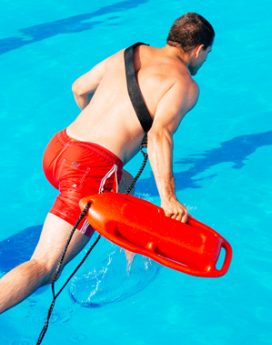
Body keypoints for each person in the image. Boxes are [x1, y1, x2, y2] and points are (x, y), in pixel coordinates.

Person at [0, 12, 215, 314]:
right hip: (89, 169)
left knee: (123, 184)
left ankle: (129, 246)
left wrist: (111, 131)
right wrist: (169, 200)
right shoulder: (185, 85)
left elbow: (78, 88)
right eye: (206, 55)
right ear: (199, 49)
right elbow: (160, 136)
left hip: (60, 147)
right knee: (45, 266)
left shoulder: (133, 51)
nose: (204, 62)